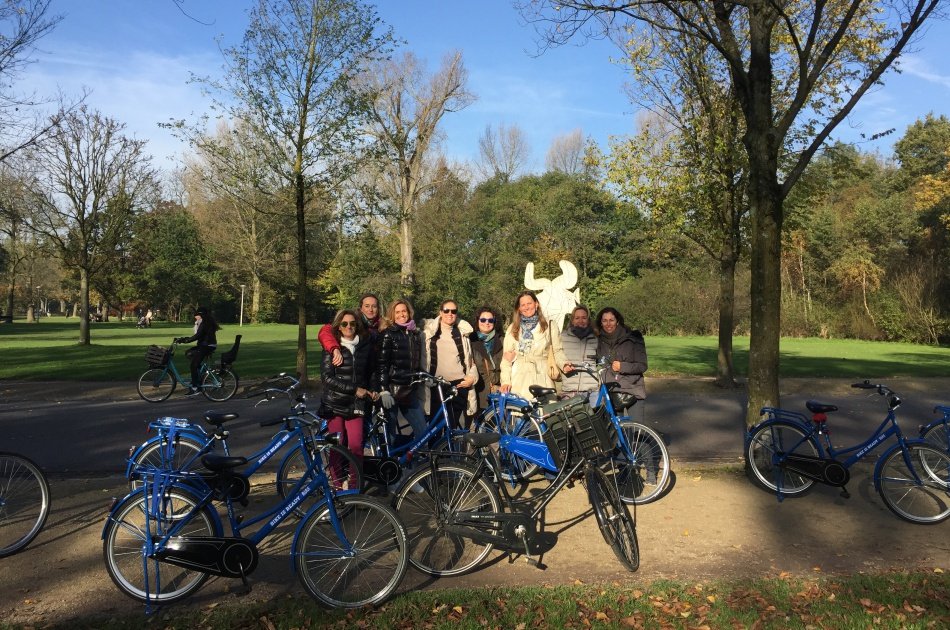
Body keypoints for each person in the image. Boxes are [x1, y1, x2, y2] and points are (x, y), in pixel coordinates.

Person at [320, 309, 377, 489]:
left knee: (356, 447)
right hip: (334, 404)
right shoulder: (332, 347)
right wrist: (355, 390)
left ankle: (354, 487)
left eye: (352, 323)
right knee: (337, 448)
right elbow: (327, 378)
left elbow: (372, 372)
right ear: (339, 325)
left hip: (356, 405)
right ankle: (337, 487)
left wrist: (374, 389)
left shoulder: (365, 345)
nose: (349, 327)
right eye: (344, 324)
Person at [500, 290, 569, 400]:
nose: (526, 307)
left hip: (543, 376)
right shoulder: (513, 329)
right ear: (519, 309)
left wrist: (564, 364)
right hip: (519, 379)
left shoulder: (549, 325)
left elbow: (557, 350)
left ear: (536, 304)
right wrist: (505, 381)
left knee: (544, 413)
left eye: (529, 303)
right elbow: (506, 360)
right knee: (521, 414)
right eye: (523, 305)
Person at [421, 300, 479, 430]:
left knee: (452, 428)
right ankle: (433, 450)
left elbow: (470, 360)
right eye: (446, 310)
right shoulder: (429, 333)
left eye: (453, 311)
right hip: (437, 385)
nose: (450, 314)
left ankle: (451, 450)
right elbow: (422, 360)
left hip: (459, 385)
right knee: (435, 428)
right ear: (440, 312)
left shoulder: (463, 333)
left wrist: (471, 378)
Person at [377, 298, 427, 441]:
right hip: (392, 392)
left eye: (404, 311)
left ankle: (414, 462)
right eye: (397, 312)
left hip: (409, 391)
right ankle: (391, 463)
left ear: (409, 312)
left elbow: (416, 363)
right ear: (392, 314)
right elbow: (381, 364)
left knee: (422, 432)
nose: (401, 314)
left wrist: (425, 377)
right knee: (390, 435)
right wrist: (383, 390)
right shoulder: (388, 334)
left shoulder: (414, 334)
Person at [594, 306, 648, 418]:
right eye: (604, 320)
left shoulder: (633, 338)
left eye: (611, 320)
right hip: (611, 392)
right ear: (601, 322)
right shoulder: (598, 341)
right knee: (617, 433)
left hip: (632, 390)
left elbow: (642, 366)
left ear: (617, 321)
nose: (608, 324)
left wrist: (622, 367)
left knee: (636, 431)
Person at [318, 293, 387, 367]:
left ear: (378, 308)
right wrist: (334, 349)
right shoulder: (353, 322)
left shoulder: (383, 325)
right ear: (361, 308)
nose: (370, 309)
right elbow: (325, 331)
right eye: (367, 306)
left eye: (374, 306)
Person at [175, 306, 220, 396]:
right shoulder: (204, 322)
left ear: (201, 315)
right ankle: (199, 376)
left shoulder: (205, 323)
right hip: (205, 345)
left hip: (207, 345)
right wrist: (184, 339)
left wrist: (186, 340)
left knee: (193, 365)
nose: (195, 316)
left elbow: (198, 335)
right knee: (189, 353)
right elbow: (198, 335)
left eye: (197, 315)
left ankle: (195, 388)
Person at [469, 305, 504, 415]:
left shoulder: (503, 339)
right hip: (479, 391)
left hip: (499, 391)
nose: (486, 323)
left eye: (490, 320)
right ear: (477, 321)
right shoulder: (470, 340)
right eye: (483, 320)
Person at [560, 305, 600, 400]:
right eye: (577, 318)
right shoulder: (562, 337)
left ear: (588, 320)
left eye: (584, 318)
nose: (580, 321)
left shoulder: (595, 338)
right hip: (569, 391)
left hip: (592, 391)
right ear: (572, 320)